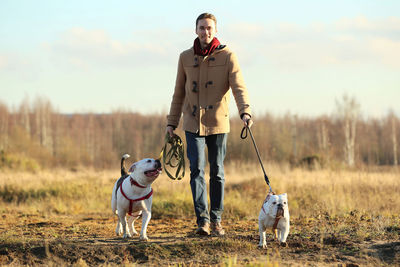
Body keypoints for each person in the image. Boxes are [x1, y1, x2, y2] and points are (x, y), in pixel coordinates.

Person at [166, 13, 253, 236]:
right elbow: (178, 93)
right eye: (202, 28)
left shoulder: (228, 56)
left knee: (217, 171)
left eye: (209, 28)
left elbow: (239, 87)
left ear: (216, 30)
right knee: (196, 171)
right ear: (196, 30)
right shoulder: (185, 57)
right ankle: (202, 221)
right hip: (192, 123)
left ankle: (216, 220)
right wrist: (171, 123)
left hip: (218, 123)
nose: (206, 32)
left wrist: (245, 112)